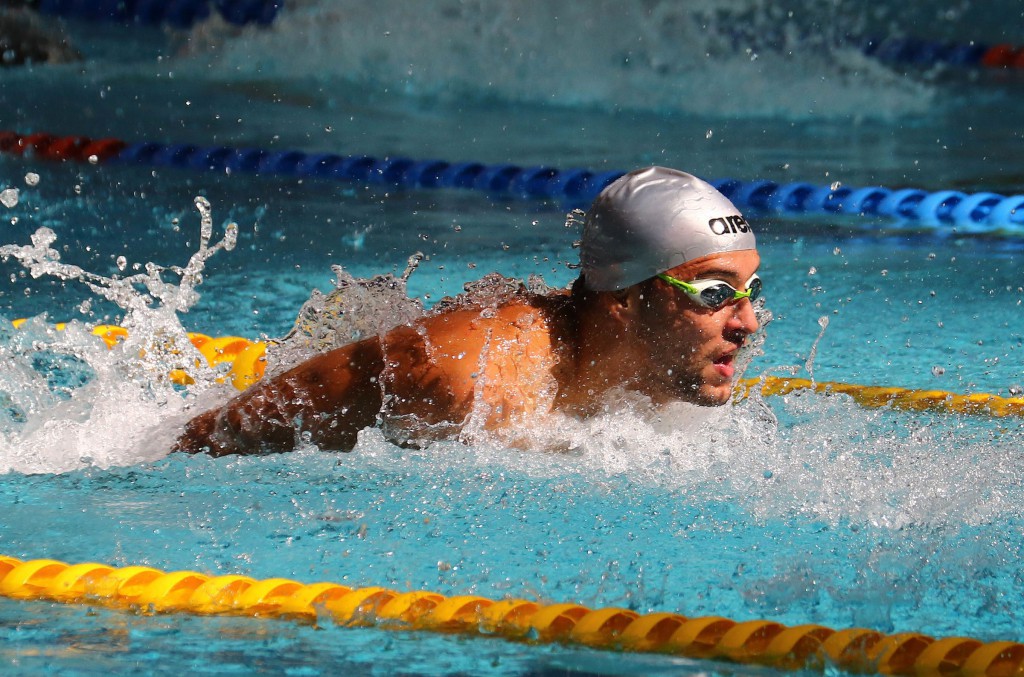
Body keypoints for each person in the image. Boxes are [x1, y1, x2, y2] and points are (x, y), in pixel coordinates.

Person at [174, 166, 762, 456]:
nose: (747, 323)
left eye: (749, 290)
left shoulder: (660, 368)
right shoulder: (476, 388)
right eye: (714, 294)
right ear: (626, 299)